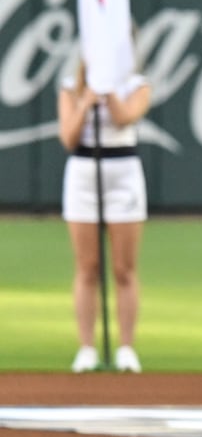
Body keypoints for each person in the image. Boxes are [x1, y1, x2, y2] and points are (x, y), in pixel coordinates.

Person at [55, 60, 152, 373]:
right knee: (87, 266)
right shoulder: (71, 87)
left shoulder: (136, 84)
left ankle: (126, 347)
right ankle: (86, 347)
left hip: (123, 171)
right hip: (83, 173)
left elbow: (125, 118)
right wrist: (86, 100)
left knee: (124, 267)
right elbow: (68, 137)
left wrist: (107, 91)